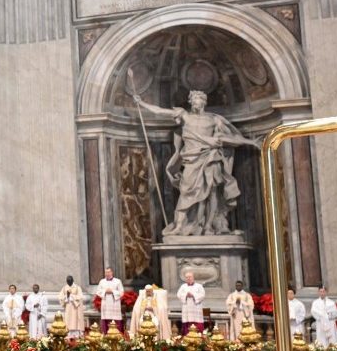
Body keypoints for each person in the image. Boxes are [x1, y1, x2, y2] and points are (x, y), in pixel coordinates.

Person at [134, 91, 260, 236]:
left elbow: (228, 138)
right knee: (185, 191)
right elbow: (160, 111)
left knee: (212, 193)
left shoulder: (214, 120)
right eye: (192, 99)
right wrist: (141, 103)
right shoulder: (185, 115)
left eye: (197, 99)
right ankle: (179, 226)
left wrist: (251, 142)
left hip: (211, 158)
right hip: (192, 160)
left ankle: (208, 226)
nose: (194, 102)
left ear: (203, 101)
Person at [96, 267, 125, 333]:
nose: (107, 274)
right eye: (106, 272)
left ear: (112, 272)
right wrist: (105, 291)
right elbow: (98, 291)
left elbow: (121, 292)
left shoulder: (118, 281)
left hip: (114, 303)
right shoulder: (102, 281)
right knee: (106, 318)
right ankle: (105, 334)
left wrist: (112, 291)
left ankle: (117, 334)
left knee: (116, 318)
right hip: (105, 303)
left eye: (109, 272)